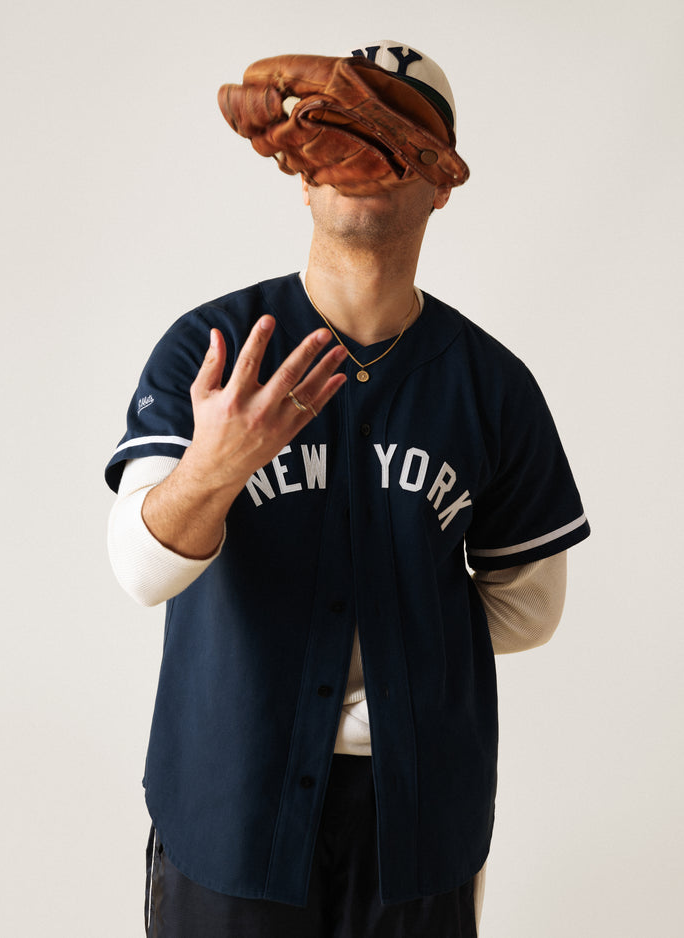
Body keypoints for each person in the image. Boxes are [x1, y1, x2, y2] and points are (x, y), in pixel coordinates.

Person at [105, 40, 590, 938]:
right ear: (300, 171)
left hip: (416, 815)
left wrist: (398, 629)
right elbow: (139, 570)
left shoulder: (491, 387)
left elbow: (530, 610)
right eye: (338, 134)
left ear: (441, 180)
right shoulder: (210, 348)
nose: (361, 164)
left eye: (397, 139)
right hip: (227, 796)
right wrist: (213, 468)